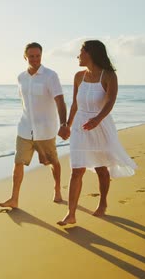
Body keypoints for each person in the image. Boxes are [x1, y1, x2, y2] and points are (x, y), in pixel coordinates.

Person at [57, 40, 137, 226]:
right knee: (76, 169)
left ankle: (102, 203)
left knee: (102, 168)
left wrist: (97, 120)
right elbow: (76, 104)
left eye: (81, 52)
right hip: (80, 127)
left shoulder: (109, 76)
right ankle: (71, 214)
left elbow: (110, 101)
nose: (78, 56)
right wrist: (67, 124)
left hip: (100, 126)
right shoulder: (78, 76)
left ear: (90, 54)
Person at [0, 42, 69, 209]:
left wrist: (64, 123)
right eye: (31, 56)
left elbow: (60, 101)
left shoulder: (51, 76)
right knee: (18, 162)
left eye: (38, 56)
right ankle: (14, 198)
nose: (35, 59)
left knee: (52, 161)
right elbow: (24, 102)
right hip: (24, 128)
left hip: (45, 129)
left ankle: (57, 189)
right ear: (25, 57)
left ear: (41, 56)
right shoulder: (20, 77)